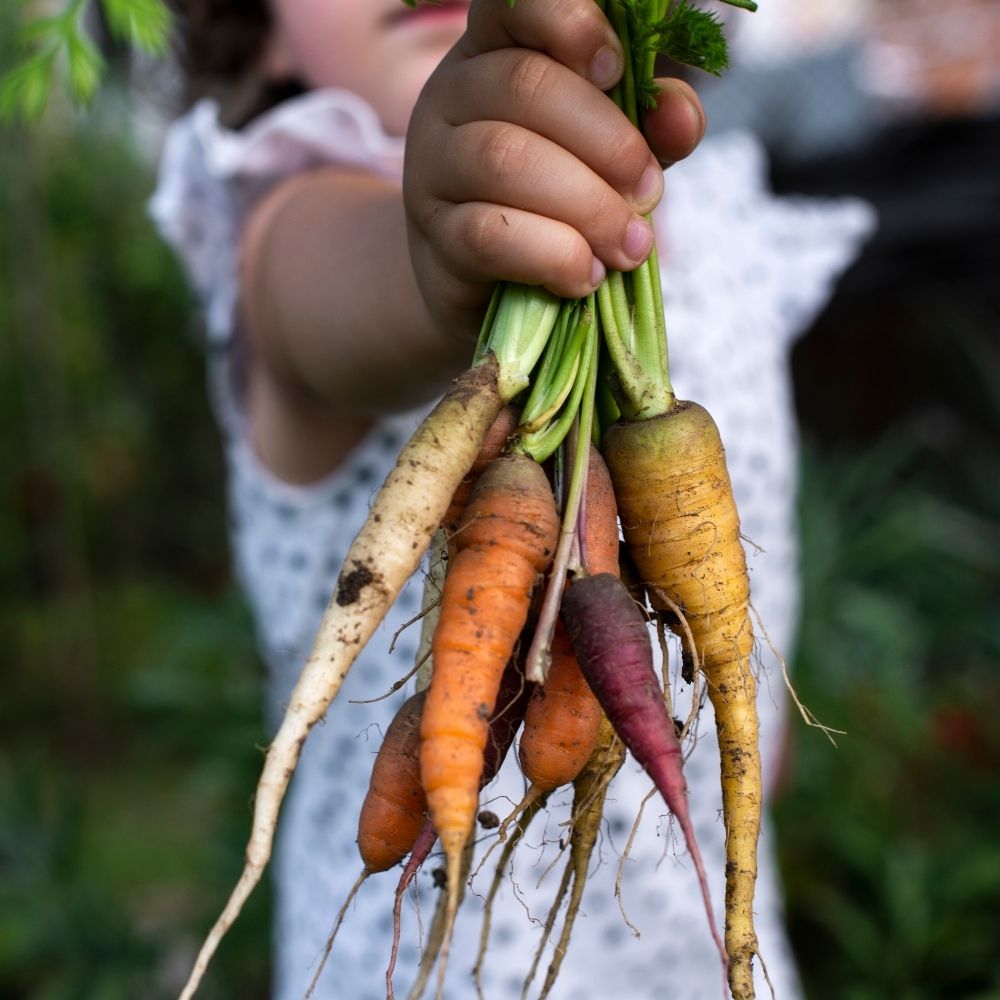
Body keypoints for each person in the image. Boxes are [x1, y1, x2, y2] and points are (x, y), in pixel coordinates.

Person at [150, 1, 873, 997]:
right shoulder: (290, 221)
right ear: (257, 26)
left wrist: (741, 749)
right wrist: (440, 256)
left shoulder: (721, 231)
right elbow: (363, 295)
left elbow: (737, 715)